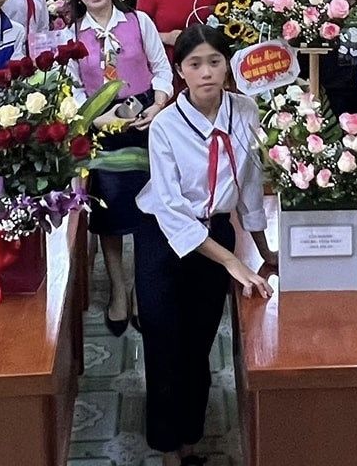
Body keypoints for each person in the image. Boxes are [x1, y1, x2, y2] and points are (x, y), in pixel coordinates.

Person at [133, 26, 275, 466]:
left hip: (216, 234)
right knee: (164, 343)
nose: (207, 72)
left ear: (227, 65)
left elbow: (249, 183)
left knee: (198, 343)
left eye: (215, 61)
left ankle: (190, 440)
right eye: (195, 64)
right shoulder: (165, 125)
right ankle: (167, 449)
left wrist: (264, 250)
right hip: (162, 238)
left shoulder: (245, 111)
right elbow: (171, 208)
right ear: (180, 71)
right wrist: (232, 261)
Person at [59, 0, 172, 334]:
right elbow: (73, 89)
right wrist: (95, 118)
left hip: (145, 121)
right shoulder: (72, 35)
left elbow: (161, 68)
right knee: (109, 211)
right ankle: (118, 291)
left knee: (147, 209)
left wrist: (158, 104)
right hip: (101, 126)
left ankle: (141, 287)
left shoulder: (139, 22)